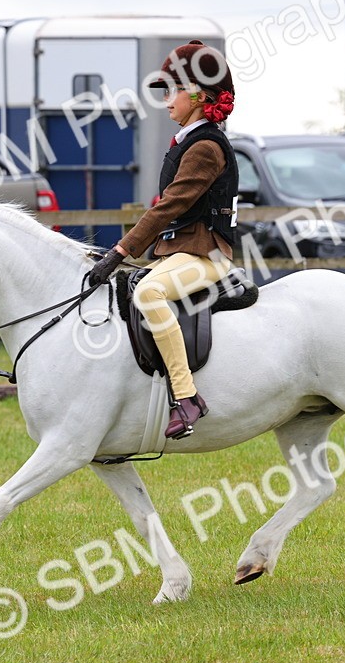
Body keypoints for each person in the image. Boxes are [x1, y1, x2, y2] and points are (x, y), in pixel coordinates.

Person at [87, 40, 239, 438]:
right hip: (182, 250)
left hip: (208, 255)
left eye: (172, 91)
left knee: (149, 293)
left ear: (198, 96)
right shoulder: (188, 140)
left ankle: (186, 396)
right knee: (131, 288)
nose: (166, 100)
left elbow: (168, 206)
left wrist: (121, 251)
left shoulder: (205, 147)